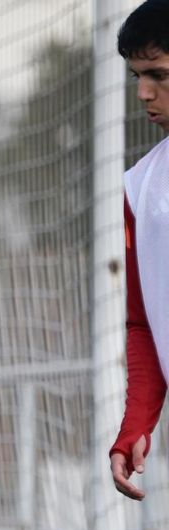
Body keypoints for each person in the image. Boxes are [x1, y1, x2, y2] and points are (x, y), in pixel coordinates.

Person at [112, 0, 169, 502]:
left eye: (159, 74)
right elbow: (144, 322)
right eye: (136, 76)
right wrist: (136, 426)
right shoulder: (141, 187)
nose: (144, 93)